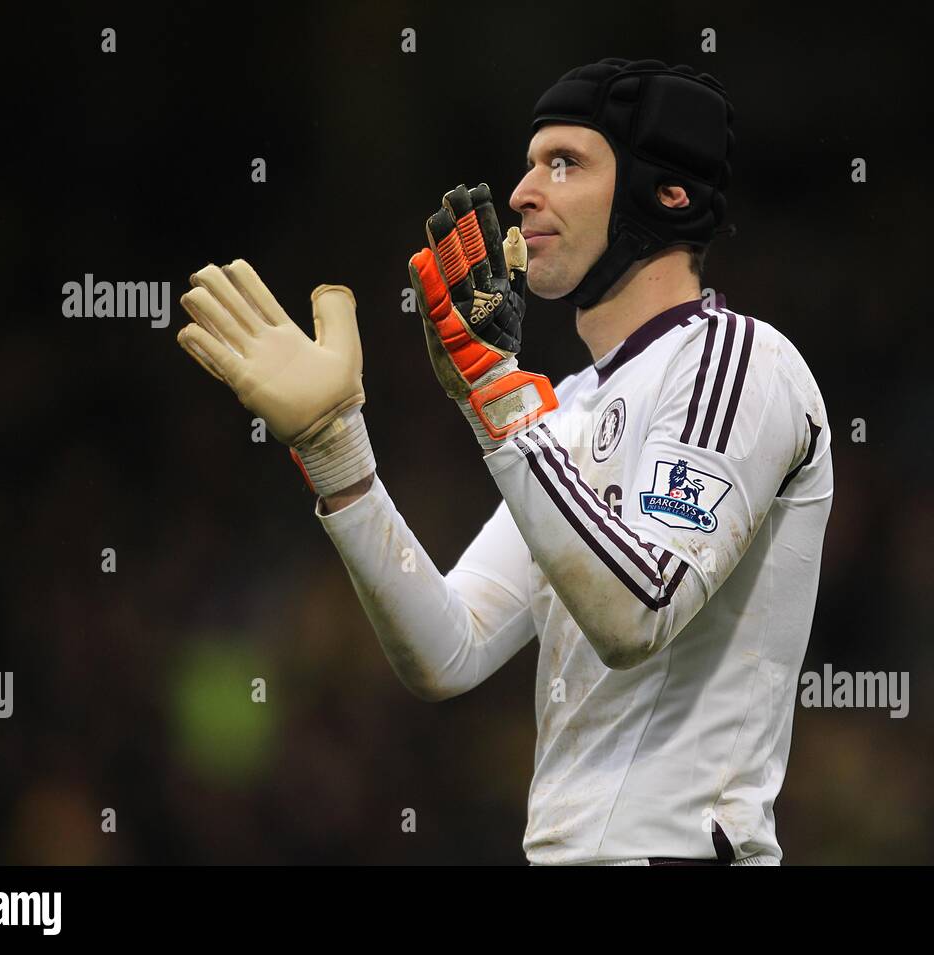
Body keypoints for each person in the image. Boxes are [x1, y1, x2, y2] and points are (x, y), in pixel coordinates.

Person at [175, 58, 833, 866]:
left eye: (565, 162)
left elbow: (637, 613)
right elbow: (448, 649)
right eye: (529, 163)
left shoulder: (740, 361)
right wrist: (333, 447)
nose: (522, 192)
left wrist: (495, 391)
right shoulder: (571, 405)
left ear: (666, 194)